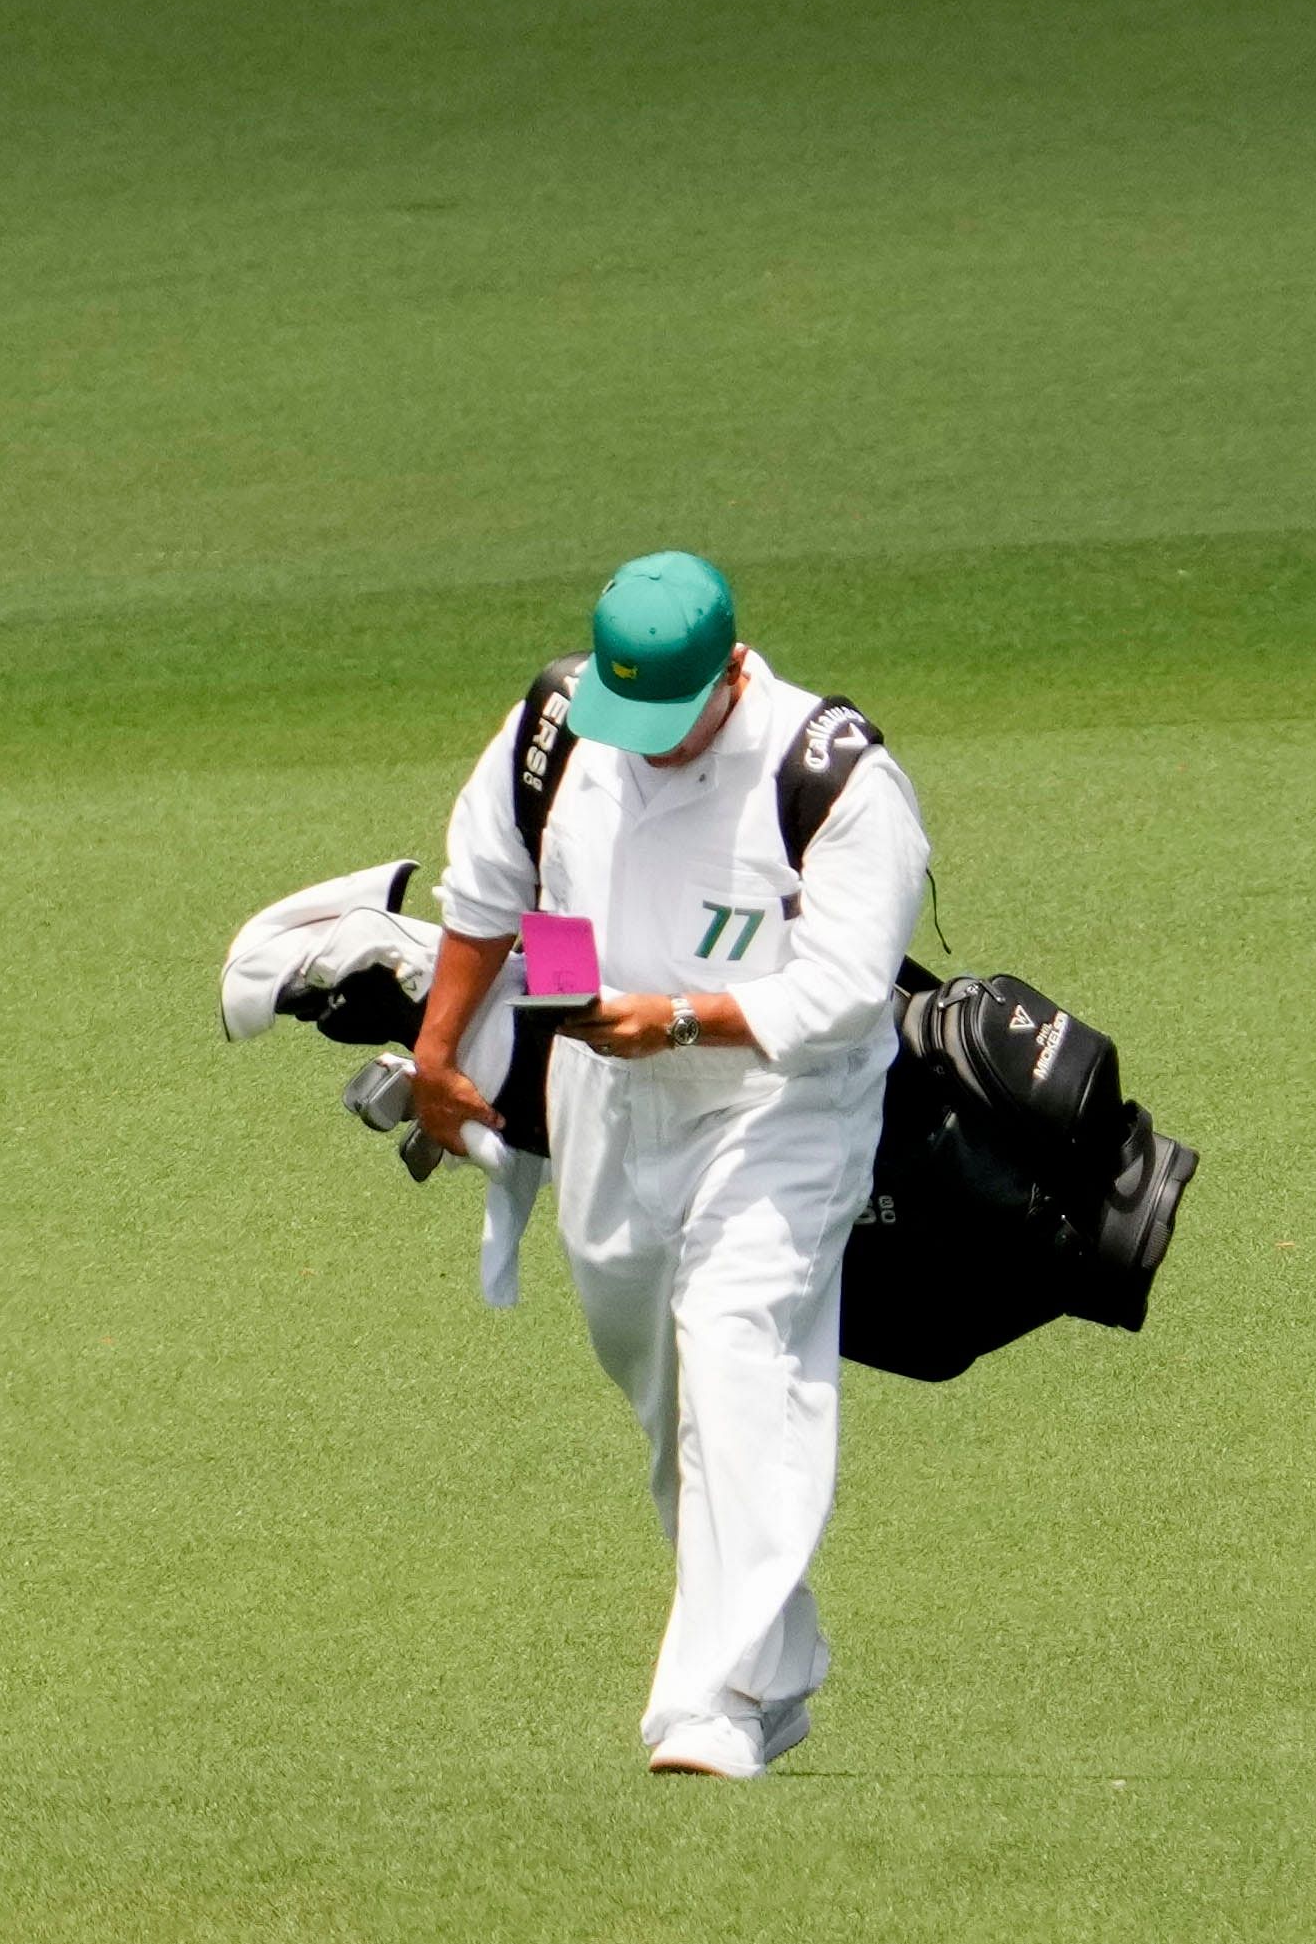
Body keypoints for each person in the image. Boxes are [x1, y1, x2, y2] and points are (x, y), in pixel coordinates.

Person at [391, 550, 932, 1781]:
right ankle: (775, 1670)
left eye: (669, 724)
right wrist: (438, 1054)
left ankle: (714, 1700)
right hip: (605, 1092)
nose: (642, 746)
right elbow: (495, 889)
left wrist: (678, 1021)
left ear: (732, 674)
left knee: (739, 1346)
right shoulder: (556, 726)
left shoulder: (834, 777)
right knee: (666, 1395)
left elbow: (845, 991)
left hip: (777, 1103)